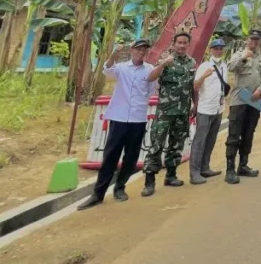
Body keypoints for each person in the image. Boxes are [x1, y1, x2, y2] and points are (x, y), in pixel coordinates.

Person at [78, 39, 157, 210]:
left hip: (138, 119)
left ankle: (120, 187)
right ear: (132, 51)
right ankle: (98, 194)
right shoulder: (121, 68)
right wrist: (114, 53)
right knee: (110, 157)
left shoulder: (150, 70)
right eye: (138, 49)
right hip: (119, 118)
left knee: (131, 157)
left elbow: (151, 90)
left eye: (144, 50)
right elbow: (107, 70)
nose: (141, 52)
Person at [142, 32, 196, 197]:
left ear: (188, 45)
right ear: (174, 44)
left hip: (182, 111)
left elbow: (192, 85)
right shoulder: (165, 60)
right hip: (165, 112)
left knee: (176, 144)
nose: (181, 45)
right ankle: (149, 182)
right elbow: (150, 78)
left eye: (184, 43)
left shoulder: (191, 63)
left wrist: (195, 104)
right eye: (178, 42)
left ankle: (171, 176)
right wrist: (163, 65)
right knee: (156, 145)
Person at [225, 29, 261, 184]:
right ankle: (230, 169)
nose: (254, 42)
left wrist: (260, 90)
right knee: (234, 135)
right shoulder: (239, 54)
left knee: (249, 133)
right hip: (239, 101)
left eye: (257, 40)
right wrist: (244, 57)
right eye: (252, 39)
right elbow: (231, 67)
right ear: (247, 40)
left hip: (255, 101)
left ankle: (243, 165)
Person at [189, 37, 229, 185]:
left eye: (221, 49)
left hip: (218, 109)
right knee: (199, 141)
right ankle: (194, 172)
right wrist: (204, 76)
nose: (219, 51)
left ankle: (205, 167)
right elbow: (195, 86)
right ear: (211, 50)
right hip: (205, 109)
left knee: (211, 140)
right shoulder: (204, 66)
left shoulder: (224, 66)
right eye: (216, 48)